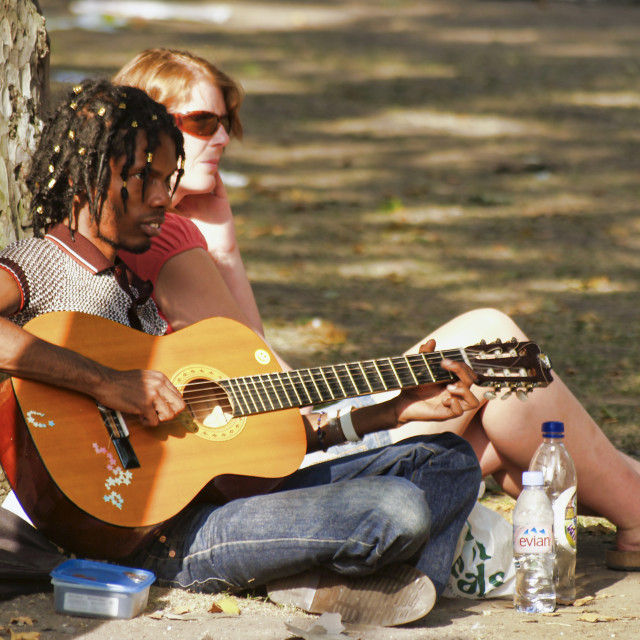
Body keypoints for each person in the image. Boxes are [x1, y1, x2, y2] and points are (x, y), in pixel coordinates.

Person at [114, 48, 640, 567]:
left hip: (261, 451)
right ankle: (635, 510)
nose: (224, 138)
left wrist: (222, 241)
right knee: (489, 339)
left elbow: (253, 368)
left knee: (496, 415)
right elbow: (264, 371)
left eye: (227, 122)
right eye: (203, 122)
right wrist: (217, 244)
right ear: (150, 128)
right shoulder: (171, 236)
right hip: (282, 458)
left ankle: (628, 499)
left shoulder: (129, 228)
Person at [0, 78, 484, 626]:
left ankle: (336, 583)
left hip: (221, 504)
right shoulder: (38, 266)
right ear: (80, 180)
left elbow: (247, 446)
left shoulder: (133, 289)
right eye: (141, 178)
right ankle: (331, 579)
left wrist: (391, 412)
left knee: (448, 461)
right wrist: (107, 382)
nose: (162, 197)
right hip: (156, 536)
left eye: (167, 179)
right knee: (395, 509)